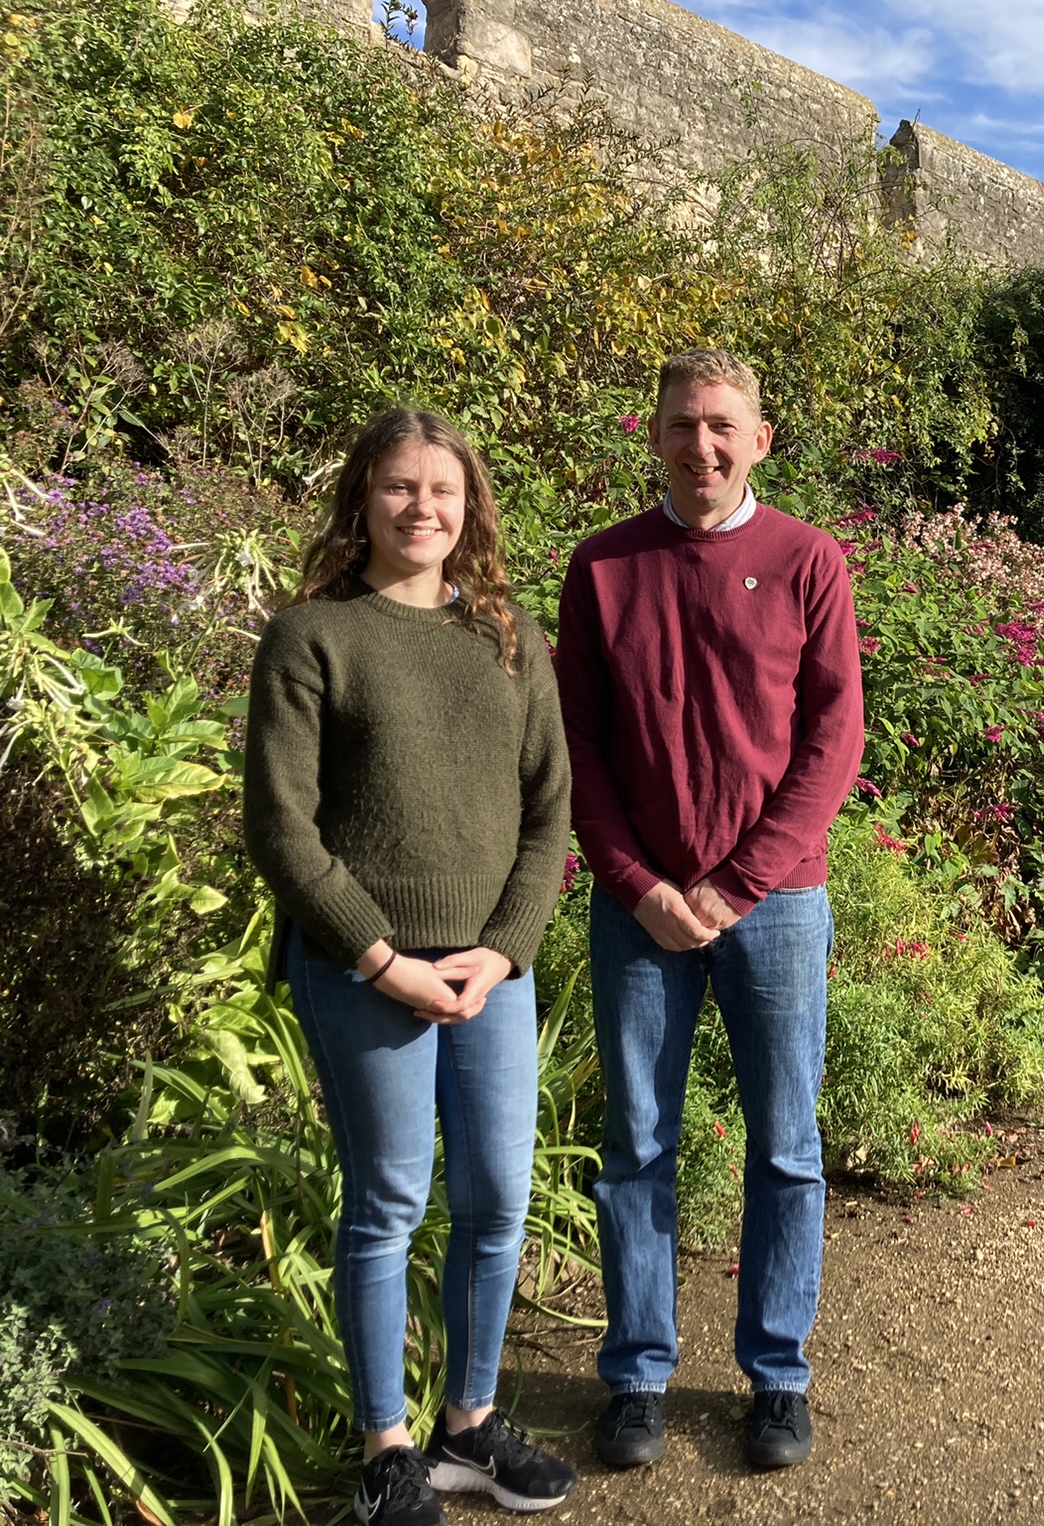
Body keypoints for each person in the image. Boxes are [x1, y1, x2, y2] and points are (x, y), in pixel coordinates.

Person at [243, 409, 577, 1526]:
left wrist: (505, 948)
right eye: (397, 488)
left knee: (495, 1201)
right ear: (362, 497)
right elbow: (283, 829)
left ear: (469, 505)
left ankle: (470, 1427)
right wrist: (382, 958)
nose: (420, 508)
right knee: (387, 1203)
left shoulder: (508, 638)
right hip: (363, 970)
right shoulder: (312, 637)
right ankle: (389, 1447)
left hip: (492, 970)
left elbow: (549, 813)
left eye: (441, 490)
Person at [554, 349, 863, 1472]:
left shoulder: (804, 561)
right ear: (655, 434)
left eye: (722, 425)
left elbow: (832, 743)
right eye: (683, 424)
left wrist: (734, 887)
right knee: (635, 1144)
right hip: (637, 909)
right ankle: (637, 1373)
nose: (702, 445)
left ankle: (775, 1377)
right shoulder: (601, 567)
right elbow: (576, 746)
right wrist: (636, 884)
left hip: (774, 904)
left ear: (760, 439)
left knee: (785, 1147)